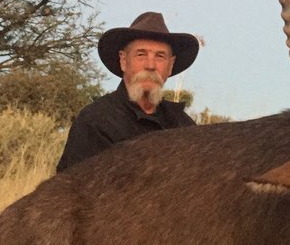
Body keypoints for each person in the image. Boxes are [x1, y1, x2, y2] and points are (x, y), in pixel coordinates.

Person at [56, 11, 199, 172]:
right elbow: (75, 190)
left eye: (160, 56)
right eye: (141, 54)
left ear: (170, 66)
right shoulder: (96, 120)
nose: (150, 65)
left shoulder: (184, 126)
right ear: (124, 61)